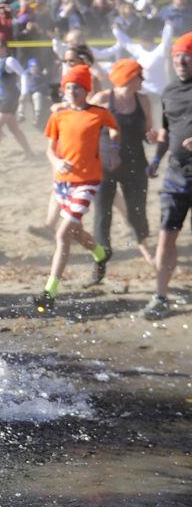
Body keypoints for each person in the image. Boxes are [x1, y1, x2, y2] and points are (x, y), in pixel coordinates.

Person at [34, 65, 119, 314]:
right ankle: (101, 253)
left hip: (88, 181)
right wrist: (57, 161)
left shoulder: (98, 113)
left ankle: (49, 292)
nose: (71, 91)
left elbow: (114, 127)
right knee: (75, 231)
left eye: (77, 87)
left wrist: (114, 149)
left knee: (62, 234)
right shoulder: (58, 116)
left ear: (86, 90)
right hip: (62, 181)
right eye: (68, 87)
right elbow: (49, 149)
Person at [87, 59, 154, 280]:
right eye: (139, 76)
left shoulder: (143, 100)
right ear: (129, 78)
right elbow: (87, 131)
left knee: (137, 211)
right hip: (105, 164)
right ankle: (100, 261)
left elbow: (148, 132)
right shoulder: (103, 100)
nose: (143, 81)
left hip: (135, 164)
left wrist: (153, 136)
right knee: (102, 214)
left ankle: (143, 245)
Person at [143, 32, 192, 319]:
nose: (181, 61)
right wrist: (156, 158)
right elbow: (167, 132)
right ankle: (160, 296)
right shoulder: (170, 92)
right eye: (176, 56)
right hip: (177, 175)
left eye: (186, 55)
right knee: (166, 237)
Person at [0, 39, 35, 160]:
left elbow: (23, 74)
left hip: (9, 98)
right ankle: (29, 153)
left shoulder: (9, 61)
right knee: (13, 128)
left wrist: (24, 92)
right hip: (2, 98)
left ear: (4, 48)